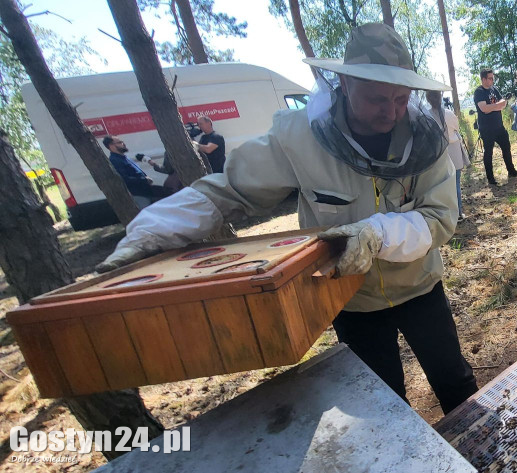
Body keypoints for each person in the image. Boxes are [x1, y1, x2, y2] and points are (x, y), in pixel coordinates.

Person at [95, 24, 478, 414]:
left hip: (420, 288)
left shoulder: (426, 139)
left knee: (455, 382)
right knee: (383, 404)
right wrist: (151, 234)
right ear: (343, 84)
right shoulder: (298, 137)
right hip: (348, 299)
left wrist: (376, 233)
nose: (391, 111)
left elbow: (440, 217)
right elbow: (227, 190)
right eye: (377, 98)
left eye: (400, 98)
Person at [474, 68, 517, 185]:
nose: (492, 81)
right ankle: (491, 179)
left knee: (506, 147)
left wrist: (494, 106)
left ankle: (511, 171)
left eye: (493, 78)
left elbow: (503, 103)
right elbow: (484, 109)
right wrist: (497, 106)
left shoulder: (494, 89)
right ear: (483, 79)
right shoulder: (479, 92)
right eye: (490, 78)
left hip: (499, 127)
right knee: (488, 152)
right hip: (487, 128)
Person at [426, 90, 469, 220]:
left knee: (441, 186)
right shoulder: (449, 114)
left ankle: (445, 215)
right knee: (456, 184)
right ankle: (458, 213)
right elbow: (456, 128)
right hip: (454, 151)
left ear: (428, 100)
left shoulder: (426, 116)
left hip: (438, 153)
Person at [102, 135, 172, 208]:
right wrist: (144, 180)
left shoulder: (124, 158)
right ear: (111, 146)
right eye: (120, 142)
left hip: (146, 192)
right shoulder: (115, 160)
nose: (123, 144)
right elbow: (123, 179)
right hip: (138, 195)